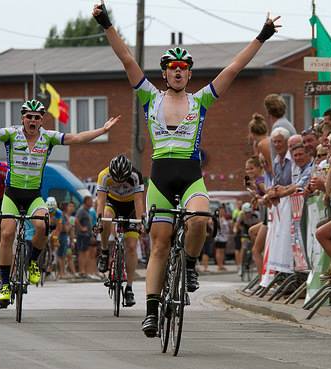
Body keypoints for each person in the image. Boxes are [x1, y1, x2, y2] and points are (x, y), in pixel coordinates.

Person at [94, 0, 281, 337]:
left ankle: (191, 265)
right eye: (172, 67)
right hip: (161, 179)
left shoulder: (200, 101)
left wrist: (263, 36)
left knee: (199, 220)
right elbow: (127, 59)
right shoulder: (150, 97)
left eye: (183, 67)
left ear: (190, 74)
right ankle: (151, 311)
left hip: (192, 176)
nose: (178, 71)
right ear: (165, 73)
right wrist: (107, 23)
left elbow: (235, 68)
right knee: (160, 244)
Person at [0, 99, 120, 306]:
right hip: (11, 195)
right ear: (22, 119)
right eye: (29, 117)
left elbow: (77, 137)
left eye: (36, 117)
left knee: (43, 226)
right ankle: (5, 284)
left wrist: (102, 130)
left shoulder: (48, 137)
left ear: (41, 120)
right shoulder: (12, 134)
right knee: (7, 234)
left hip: (34, 195)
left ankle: (33, 261)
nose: (32, 120)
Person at [96, 154, 144, 307]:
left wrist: (141, 222)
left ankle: (129, 288)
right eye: (116, 179)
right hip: (113, 203)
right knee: (106, 217)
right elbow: (101, 200)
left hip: (131, 207)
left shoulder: (136, 176)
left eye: (122, 180)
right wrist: (98, 220)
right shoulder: (104, 176)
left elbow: (139, 201)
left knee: (131, 247)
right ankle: (104, 251)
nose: (119, 182)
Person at [75, 196, 94, 279]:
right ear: (86, 201)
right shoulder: (81, 210)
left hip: (87, 235)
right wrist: (81, 228)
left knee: (85, 252)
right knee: (82, 252)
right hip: (82, 235)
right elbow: (76, 220)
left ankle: (85, 271)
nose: (92, 202)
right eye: (90, 201)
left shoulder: (87, 211)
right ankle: (82, 271)